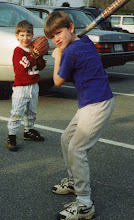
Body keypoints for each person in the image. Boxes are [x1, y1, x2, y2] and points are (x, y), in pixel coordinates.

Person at [44, 11, 115, 220]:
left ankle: (84, 203)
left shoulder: (71, 52)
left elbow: (57, 81)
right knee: (66, 139)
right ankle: (74, 182)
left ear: (71, 28)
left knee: (77, 148)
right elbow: (75, 43)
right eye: (53, 37)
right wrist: (66, 46)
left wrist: (57, 56)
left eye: (59, 32)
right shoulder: (84, 42)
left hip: (97, 104)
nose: (56, 39)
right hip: (89, 104)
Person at [7, 20, 46, 152]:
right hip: (21, 87)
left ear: (32, 35)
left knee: (32, 111)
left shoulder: (34, 49)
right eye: (22, 35)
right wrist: (34, 54)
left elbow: (40, 66)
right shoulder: (18, 51)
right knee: (17, 112)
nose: (25, 38)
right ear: (17, 36)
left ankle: (28, 131)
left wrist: (40, 55)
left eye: (28, 35)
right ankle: (11, 135)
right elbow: (23, 66)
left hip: (34, 85)